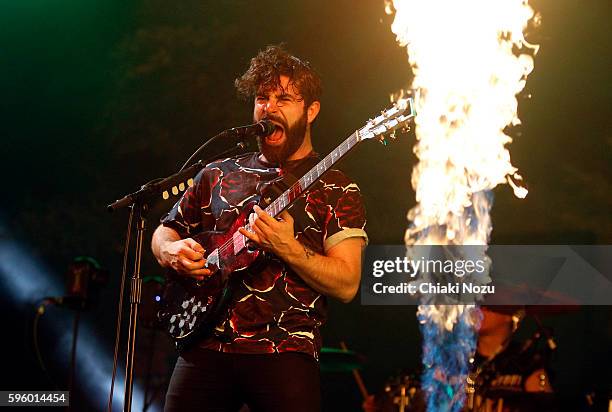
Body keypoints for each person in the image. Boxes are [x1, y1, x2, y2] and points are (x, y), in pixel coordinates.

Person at [151, 45, 368, 412]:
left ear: (311, 110)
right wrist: (171, 252)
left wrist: (287, 247)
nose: (269, 107)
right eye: (262, 97)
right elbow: (164, 231)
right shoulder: (218, 173)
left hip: (283, 352)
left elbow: (347, 283)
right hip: (204, 347)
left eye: (284, 98)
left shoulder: (336, 188)